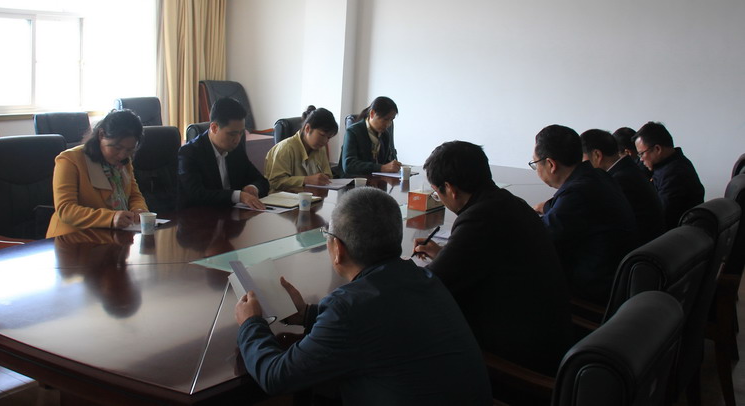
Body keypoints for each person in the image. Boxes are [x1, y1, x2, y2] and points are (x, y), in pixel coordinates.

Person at [235, 187, 491, 405]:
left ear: (338, 249)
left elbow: (276, 377)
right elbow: (377, 325)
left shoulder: (348, 309)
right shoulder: (423, 278)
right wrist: (306, 314)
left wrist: (250, 323)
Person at [413, 141, 571, 376]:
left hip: (520, 359)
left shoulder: (479, 218)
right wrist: (444, 253)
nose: (440, 198)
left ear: (451, 188)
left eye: (438, 193)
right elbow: (478, 259)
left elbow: (431, 285)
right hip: (550, 334)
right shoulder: (509, 202)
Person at [532, 125, 637, 304]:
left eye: (535, 164)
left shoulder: (577, 193)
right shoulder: (598, 176)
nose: (536, 169)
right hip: (618, 276)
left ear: (551, 164)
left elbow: (540, 239)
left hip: (595, 288)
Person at [47, 109, 148, 238]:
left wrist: (139, 209)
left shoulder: (124, 162)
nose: (122, 155)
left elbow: (133, 194)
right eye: (117, 147)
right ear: (101, 135)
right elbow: (66, 209)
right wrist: (110, 218)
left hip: (110, 236)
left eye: (129, 150)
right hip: (72, 238)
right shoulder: (70, 160)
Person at [177, 97, 269, 210]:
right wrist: (238, 196)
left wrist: (253, 187)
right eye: (232, 134)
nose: (237, 139)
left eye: (241, 133)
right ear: (214, 128)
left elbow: (262, 181)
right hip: (202, 216)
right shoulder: (190, 153)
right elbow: (196, 195)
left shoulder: (236, 149)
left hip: (234, 215)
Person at [581, 129, 665, 245]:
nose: (582, 166)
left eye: (583, 160)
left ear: (597, 155)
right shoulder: (629, 169)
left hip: (642, 247)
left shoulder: (618, 181)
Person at [633, 121, 705, 228]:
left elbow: (662, 216)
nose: (641, 159)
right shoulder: (674, 162)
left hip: (678, 233)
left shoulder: (673, 174)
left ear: (657, 149)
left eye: (641, 154)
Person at [264, 106, 338, 192]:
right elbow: (275, 182)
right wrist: (306, 180)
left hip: (312, 196)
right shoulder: (285, 148)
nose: (325, 141)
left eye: (328, 137)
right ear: (307, 128)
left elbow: (327, 174)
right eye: (322, 135)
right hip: (284, 198)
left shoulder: (320, 148)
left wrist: (325, 178)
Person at [339, 96, 401, 177]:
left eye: (391, 120)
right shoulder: (353, 132)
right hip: (353, 181)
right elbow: (349, 165)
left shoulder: (385, 135)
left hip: (377, 180)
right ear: (372, 114)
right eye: (385, 119)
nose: (388, 124)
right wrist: (381, 168)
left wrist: (393, 166)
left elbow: (386, 163)